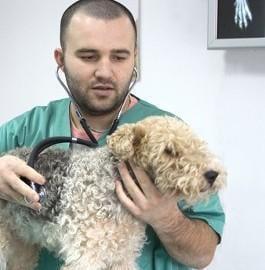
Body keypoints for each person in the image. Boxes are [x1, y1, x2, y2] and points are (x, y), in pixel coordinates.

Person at [0, 0, 225, 269]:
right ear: (61, 60)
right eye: (88, 56)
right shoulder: (25, 128)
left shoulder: (172, 137)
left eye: (119, 57)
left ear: (135, 58)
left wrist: (165, 217)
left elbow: (202, 255)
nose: (105, 72)